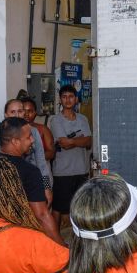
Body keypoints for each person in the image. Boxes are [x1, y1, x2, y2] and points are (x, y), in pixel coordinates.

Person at [0, 118, 64, 245]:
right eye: (28, 137)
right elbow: (41, 215)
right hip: (17, 239)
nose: (33, 140)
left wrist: (46, 187)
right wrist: (62, 247)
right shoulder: (29, 171)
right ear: (15, 141)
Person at [49, 85, 91, 227]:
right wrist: (79, 140)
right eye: (64, 97)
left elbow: (88, 141)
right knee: (58, 208)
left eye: (71, 96)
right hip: (63, 172)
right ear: (60, 100)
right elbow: (64, 144)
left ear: (76, 99)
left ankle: (80, 237)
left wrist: (71, 141)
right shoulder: (55, 120)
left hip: (82, 170)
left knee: (81, 207)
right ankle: (55, 241)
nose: (68, 100)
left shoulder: (83, 119)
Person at [5, 99, 52, 204]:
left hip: (32, 183)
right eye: (13, 112)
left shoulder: (33, 132)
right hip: (8, 186)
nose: (17, 115)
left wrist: (47, 188)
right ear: (6, 115)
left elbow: (41, 162)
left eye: (20, 111)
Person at [20, 97, 55, 161]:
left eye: (30, 111)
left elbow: (51, 153)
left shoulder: (43, 129)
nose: (26, 114)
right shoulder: (14, 130)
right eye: (23, 111)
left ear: (35, 113)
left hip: (41, 168)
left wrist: (33, 159)